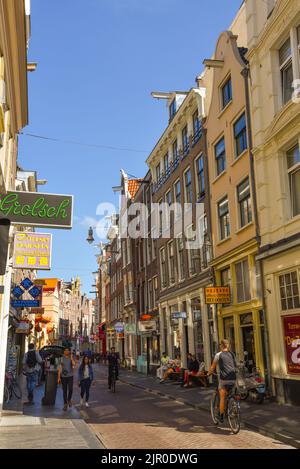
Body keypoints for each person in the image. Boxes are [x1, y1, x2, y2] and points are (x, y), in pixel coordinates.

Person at [208, 339, 237, 423]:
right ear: (228, 345)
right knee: (232, 394)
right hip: (233, 378)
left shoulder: (218, 354)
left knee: (222, 397)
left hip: (224, 379)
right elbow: (235, 365)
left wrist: (209, 373)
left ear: (221, 345)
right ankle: (234, 408)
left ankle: (221, 416)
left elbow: (213, 366)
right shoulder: (232, 354)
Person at [58, 347, 76, 411]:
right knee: (64, 391)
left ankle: (69, 400)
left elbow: (74, 365)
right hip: (63, 376)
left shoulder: (71, 358)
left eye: (68, 350)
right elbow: (60, 368)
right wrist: (59, 377)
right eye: (65, 350)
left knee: (71, 389)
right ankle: (65, 404)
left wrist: (71, 358)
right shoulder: (61, 358)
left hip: (70, 376)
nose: (66, 351)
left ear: (69, 352)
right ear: (64, 352)